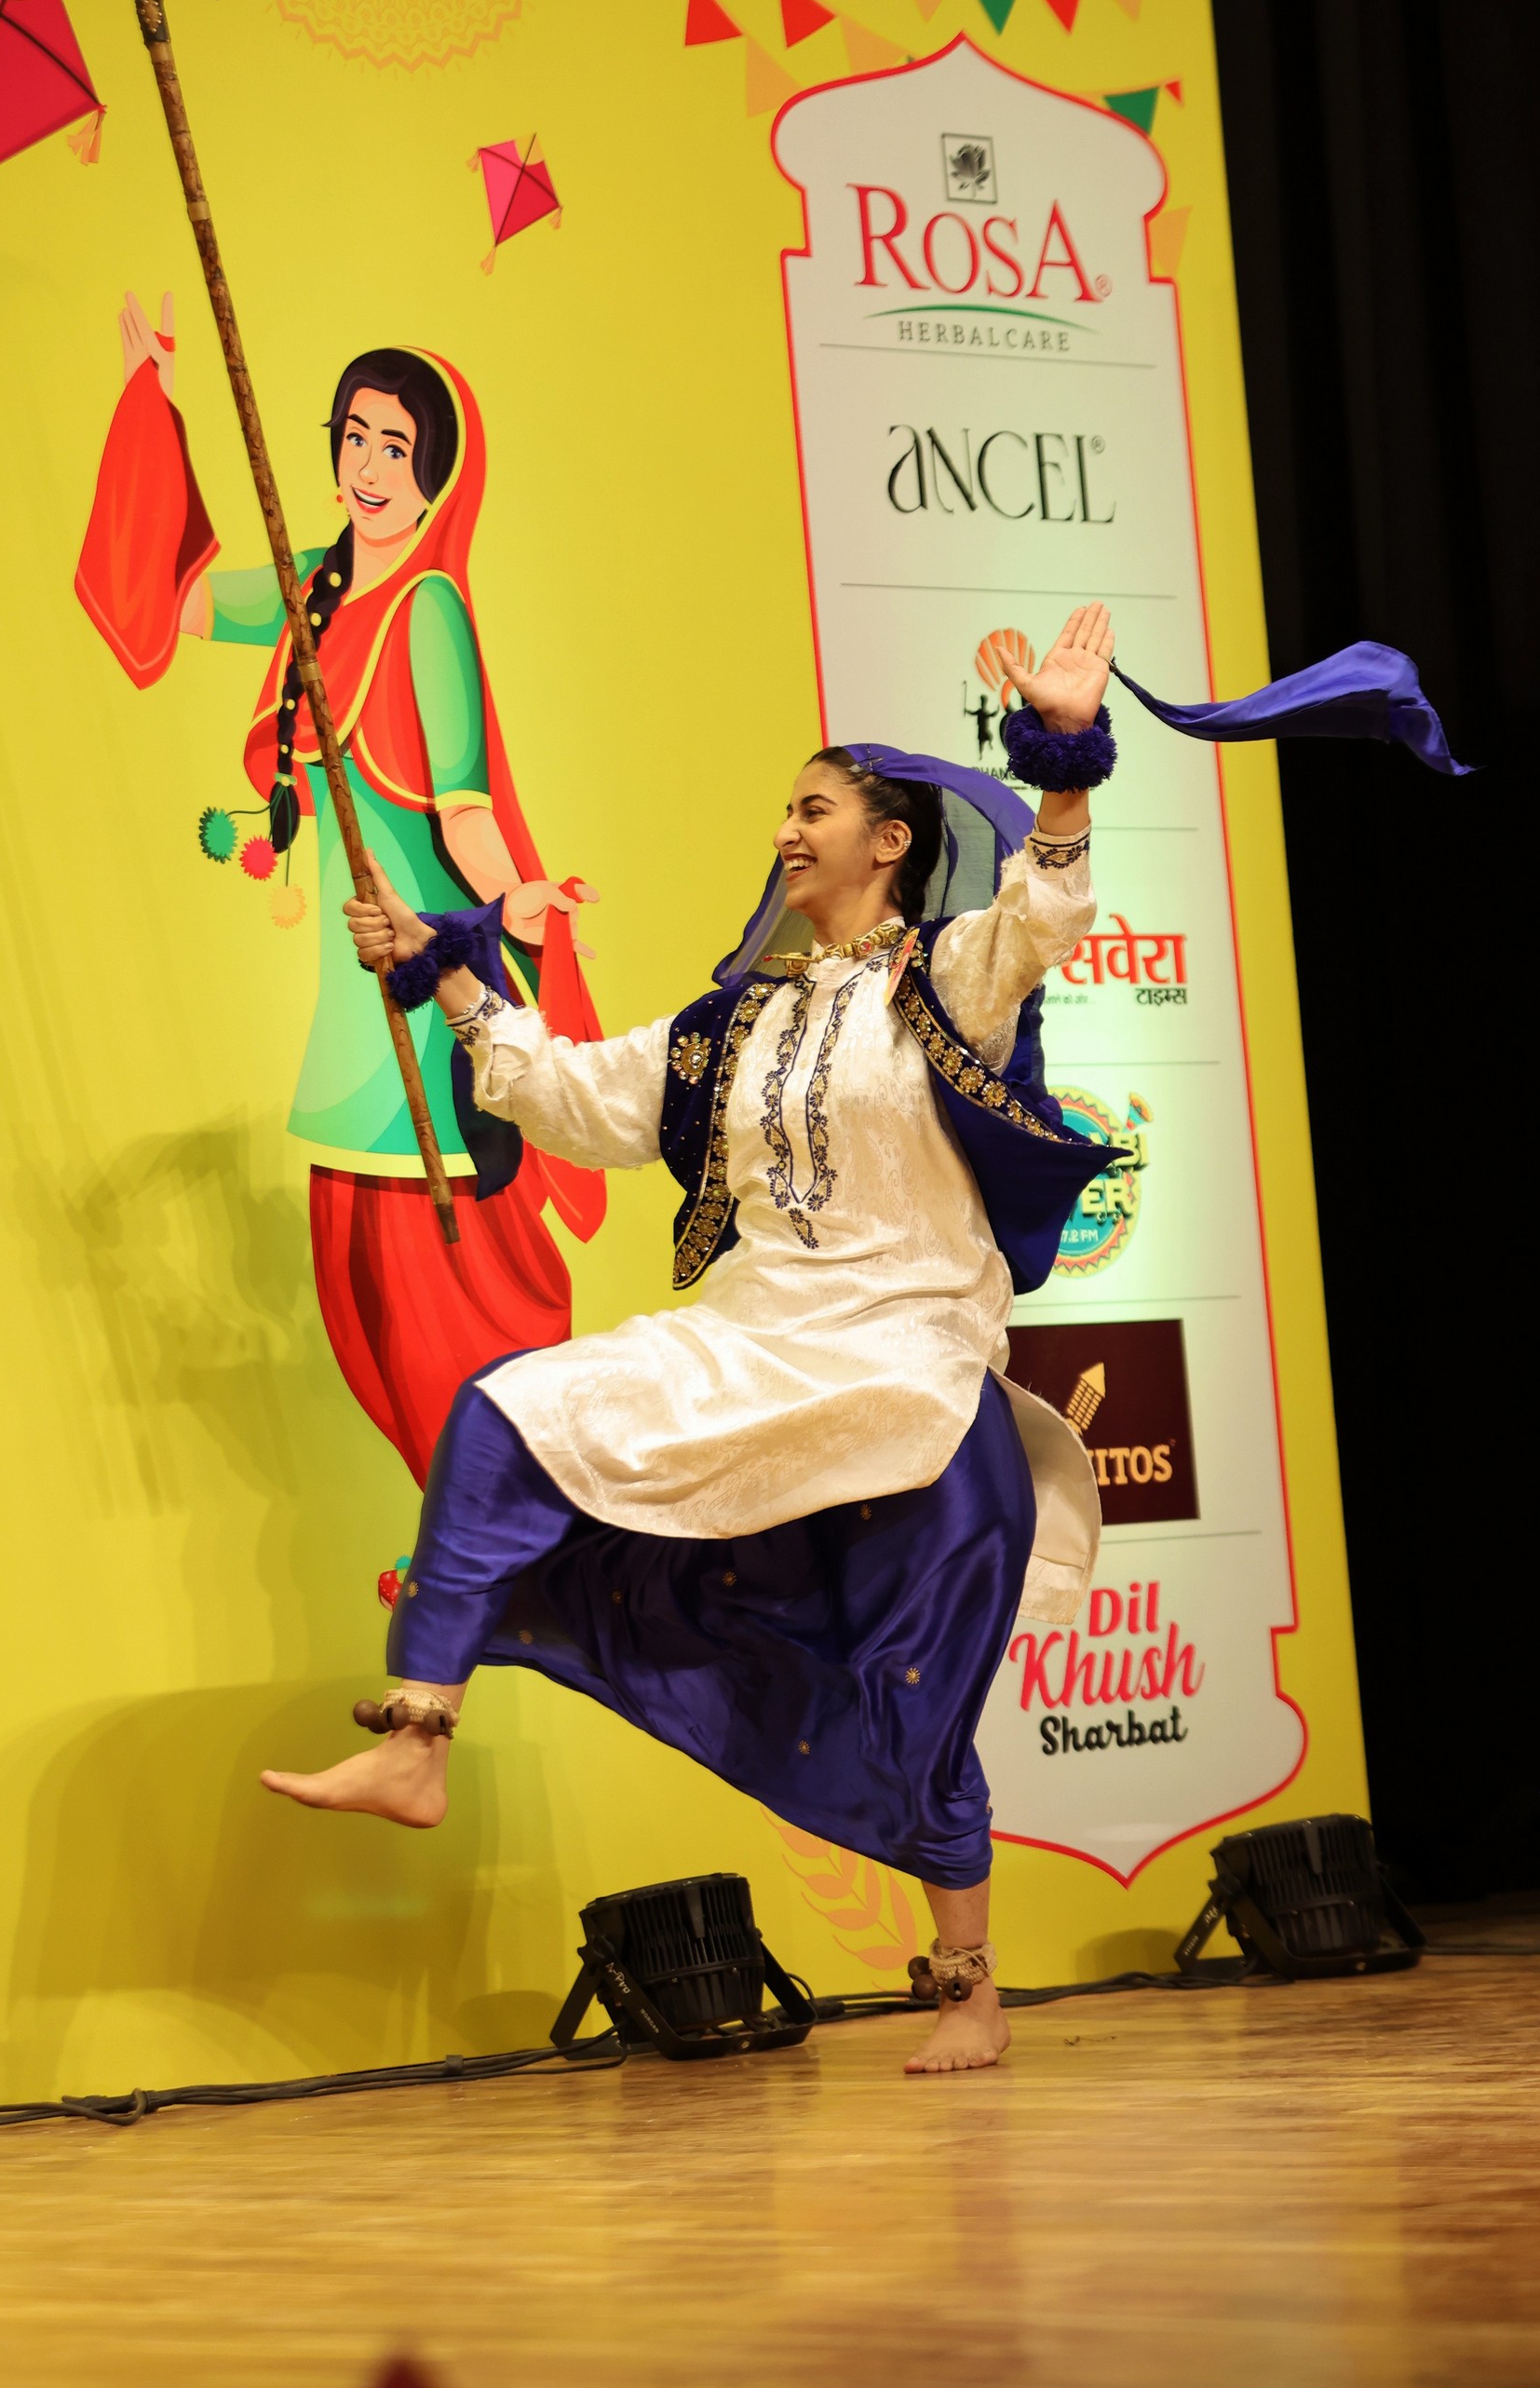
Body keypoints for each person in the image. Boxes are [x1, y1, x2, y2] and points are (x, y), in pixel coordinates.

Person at [261, 607, 1123, 2073]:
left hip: (907, 1373)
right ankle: (416, 1738)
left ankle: (968, 1993)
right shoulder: (737, 1022)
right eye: (785, 809)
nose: (784, 831)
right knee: (505, 1409)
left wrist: (1064, 753)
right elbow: (574, 1094)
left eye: (813, 809)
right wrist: (441, 968)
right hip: (756, 1343)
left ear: (888, 844)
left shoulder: (951, 979)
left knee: (912, 1700)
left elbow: (1047, 910)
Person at [74, 303, 602, 1481]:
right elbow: (185, 601)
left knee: (443, 1298)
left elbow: (461, 806)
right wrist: (153, 410)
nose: (367, 467)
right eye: (353, 437)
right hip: (349, 1000)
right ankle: (453, 1531)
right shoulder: (312, 591)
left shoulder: (428, 609)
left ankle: (507, 1522)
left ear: (433, 475)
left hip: (420, 976)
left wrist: (518, 901)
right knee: (361, 1295)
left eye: (394, 447)